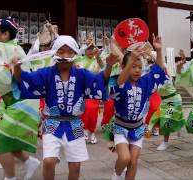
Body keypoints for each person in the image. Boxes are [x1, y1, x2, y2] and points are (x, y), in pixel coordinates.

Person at [14, 35, 118, 180]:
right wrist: (17, 68)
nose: (65, 55)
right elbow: (25, 80)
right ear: (55, 53)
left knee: (75, 166)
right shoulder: (46, 73)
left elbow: (99, 81)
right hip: (52, 122)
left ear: (75, 54)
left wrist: (110, 66)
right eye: (61, 51)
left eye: (69, 52)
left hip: (74, 123)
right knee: (49, 161)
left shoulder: (81, 74)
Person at [0, 1, 41, 179]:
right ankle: (29, 162)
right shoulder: (2, 50)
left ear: (5, 35)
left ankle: (10, 177)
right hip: (13, 103)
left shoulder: (10, 48)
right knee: (7, 140)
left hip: (23, 103)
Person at [110, 34, 168, 180]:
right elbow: (119, 84)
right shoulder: (119, 82)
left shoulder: (145, 82)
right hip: (120, 128)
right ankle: (116, 175)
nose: (137, 70)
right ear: (123, 67)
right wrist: (130, 60)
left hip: (137, 128)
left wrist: (159, 50)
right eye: (133, 66)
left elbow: (158, 70)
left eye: (139, 67)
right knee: (124, 158)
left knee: (134, 161)